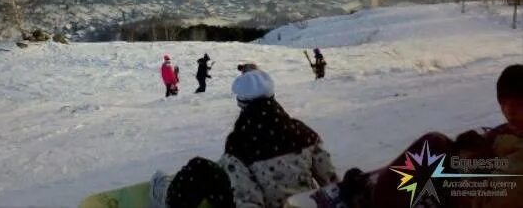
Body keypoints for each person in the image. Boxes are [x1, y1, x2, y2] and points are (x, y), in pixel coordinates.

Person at [318, 64, 523, 208]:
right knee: (437, 147)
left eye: (518, 104)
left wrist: (463, 168)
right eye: (504, 103)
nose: (510, 112)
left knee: (433, 147)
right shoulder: (512, 131)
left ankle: (372, 196)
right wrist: (478, 145)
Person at [155, 69, 338, 208]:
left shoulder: (240, 144)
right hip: (304, 204)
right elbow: (331, 183)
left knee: (199, 168)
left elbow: (248, 200)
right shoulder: (302, 133)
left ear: (242, 103)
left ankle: (168, 198)